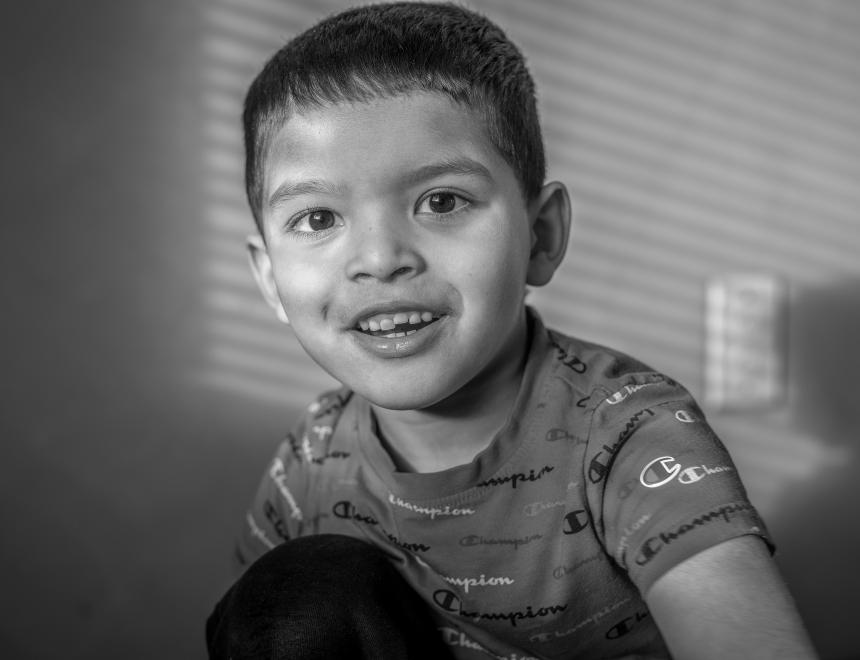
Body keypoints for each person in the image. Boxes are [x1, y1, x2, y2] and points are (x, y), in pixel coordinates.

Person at [206, 3, 818, 658]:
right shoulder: (311, 462)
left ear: (541, 237)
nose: (381, 259)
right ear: (270, 278)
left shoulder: (628, 437)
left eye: (442, 201)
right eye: (319, 218)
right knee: (297, 597)